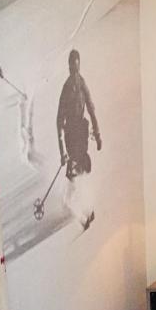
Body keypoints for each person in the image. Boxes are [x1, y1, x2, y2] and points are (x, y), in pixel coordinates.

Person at [56, 49, 101, 230]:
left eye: (76, 66)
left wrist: (97, 134)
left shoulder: (82, 84)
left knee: (81, 171)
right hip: (71, 137)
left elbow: (91, 108)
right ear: (68, 67)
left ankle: (85, 210)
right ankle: (80, 211)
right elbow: (59, 120)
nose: (74, 70)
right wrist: (62, 151)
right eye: (71, 67)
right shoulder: (66, 89)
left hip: (81, 135)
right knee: (75, 174)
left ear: (79, 65)